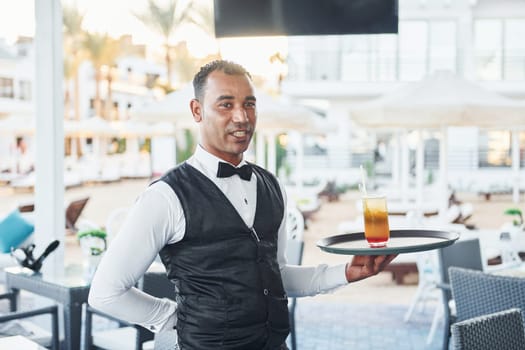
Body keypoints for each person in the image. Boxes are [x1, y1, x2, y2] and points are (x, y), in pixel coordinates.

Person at [88, 60, 397, 350]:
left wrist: (344, 272)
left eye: (249, 104)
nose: (242, 116)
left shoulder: (271, 185)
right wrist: (171, 317)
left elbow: (278, 276)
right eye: (226, 104)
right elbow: (105, 292)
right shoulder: (165, 196)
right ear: (197, 110)